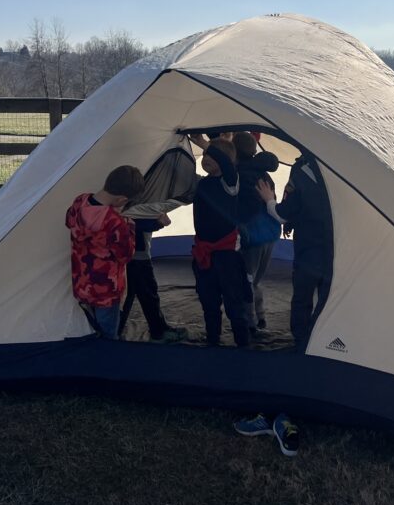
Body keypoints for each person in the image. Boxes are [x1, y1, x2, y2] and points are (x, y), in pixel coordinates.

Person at [256, 153, 334, 351]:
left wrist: (269, 201)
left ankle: (301, 341)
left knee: (303, 295)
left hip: (309, 248)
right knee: (331, 295)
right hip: (335, 247)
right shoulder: (340, 165)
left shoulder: (302, 170)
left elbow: (284, 213)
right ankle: (328, 340)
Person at [65, 165, 144, 340]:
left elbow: (68, 220)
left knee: (91, 325)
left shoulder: (80, 201)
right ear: (122, 200)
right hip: (105, 290)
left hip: (82, 281)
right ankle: (107, 355)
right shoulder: (116, 223)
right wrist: (130, 224)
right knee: (108, 331)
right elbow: (126, 255)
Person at [187, 134, 252, 347]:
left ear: (225, 162)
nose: (206, 158)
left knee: (234, 302)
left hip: (227, 255)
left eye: (211, 156)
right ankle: (212, 340)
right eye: (204, 155)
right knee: (209, 300)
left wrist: (205, 144)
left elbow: (226, 164)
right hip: (204, 252)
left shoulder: (230, 183)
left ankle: (243, 344)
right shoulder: (204, 183)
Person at [231, 132, 280, 336]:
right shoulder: (263, 173)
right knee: (255, 280)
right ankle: (260, 318)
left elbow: (245, 208)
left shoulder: (239, 174)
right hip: (269, 233)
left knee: (246, 280)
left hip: (252, 237)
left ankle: (249, 324)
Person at [118, 213, 188, 343]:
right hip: (137, 256)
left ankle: (116, 331)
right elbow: (134, 223)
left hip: (133, 255)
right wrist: (158, 223)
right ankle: (158, 332)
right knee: (147, 295)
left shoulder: (136, 202)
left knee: (133, 295)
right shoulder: (135, 204)